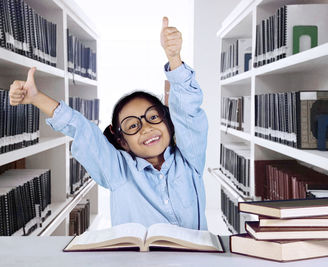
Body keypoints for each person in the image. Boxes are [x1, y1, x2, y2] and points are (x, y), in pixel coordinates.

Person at [8, 17, 208, 230]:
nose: (147, 128)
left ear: (168, 122)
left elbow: (188, 113)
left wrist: (175, 59)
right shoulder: (117, 170)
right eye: (133, 126)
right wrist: (37, 98)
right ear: (122, 141)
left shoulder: (190, 160)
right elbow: (84, 132)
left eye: (153, 117)